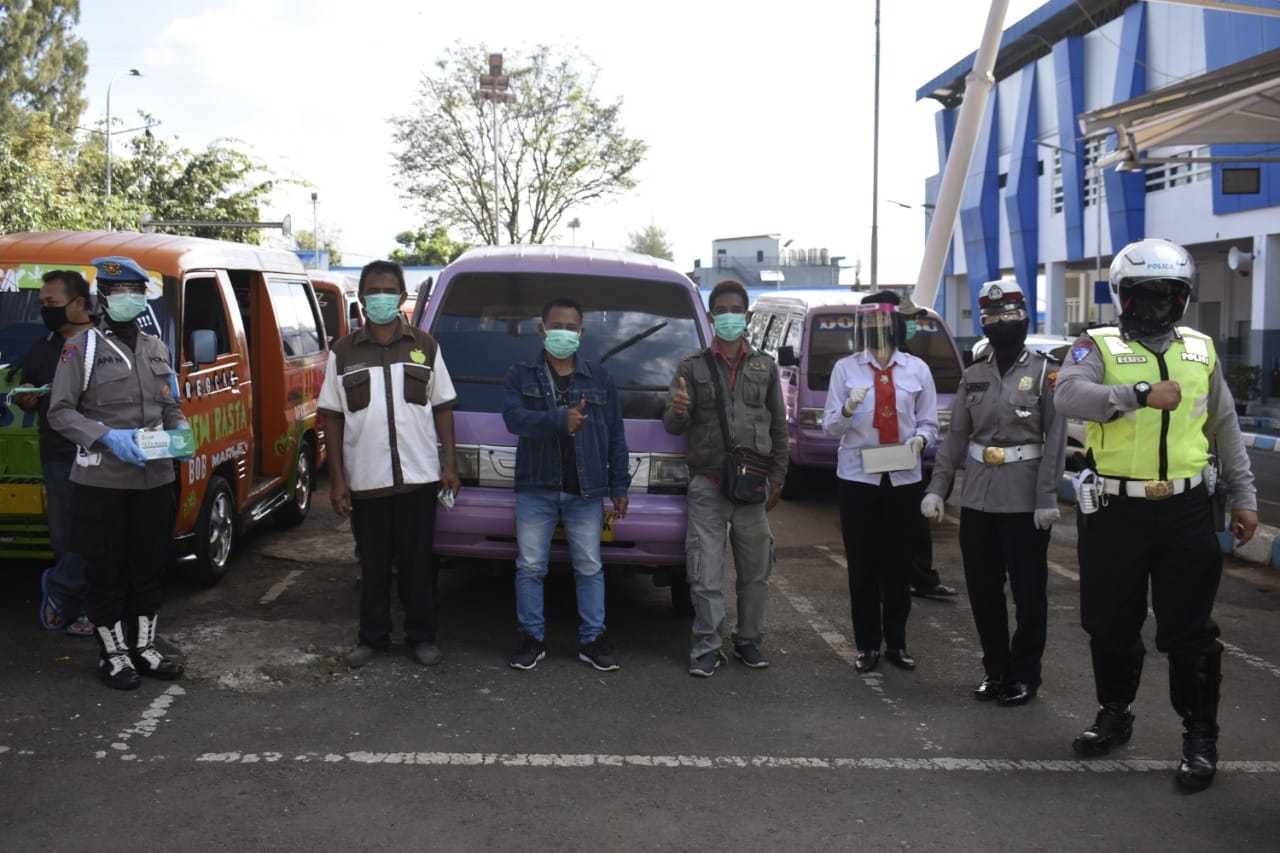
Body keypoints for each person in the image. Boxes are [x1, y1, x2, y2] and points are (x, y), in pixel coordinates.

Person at [1055, 238, 1258, 792]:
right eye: (1143, 293)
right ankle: (1114, 713)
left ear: (1183, 298)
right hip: (1115, 511)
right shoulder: (1095, 345)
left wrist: (1244, 497)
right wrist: (1139, 394)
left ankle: (1200, 737)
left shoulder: (1201, 350)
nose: (1156, 303)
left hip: (1187, 511)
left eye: (1168, 293)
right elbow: (1068, 398)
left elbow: (1225, 427)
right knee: (1110, 623)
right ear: (1121, 296)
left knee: (1191, 631)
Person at [46, 257, 191, 690]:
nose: (129, 298)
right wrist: (106, 436)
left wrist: (180, 430)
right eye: (119, 291)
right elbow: (60, 412)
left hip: (155, 480)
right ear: (104, 297)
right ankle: (113, 655)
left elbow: (170, 405)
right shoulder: (82, 348)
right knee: (105, 572)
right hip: (103, 483)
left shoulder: (156, 346)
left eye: (136, 291)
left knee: (148, 568)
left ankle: (144, 648)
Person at [923, 279, 1067, 705]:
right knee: (984, 591)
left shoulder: (1045, 372)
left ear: (1023, 319)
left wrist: (1047, 499)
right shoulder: (974, 374)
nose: (1001, 323)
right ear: (983, 323)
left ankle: (1025, 674)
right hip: (978, 499)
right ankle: (996, 669)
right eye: (993, 316)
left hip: (1024, 501)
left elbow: (1056, 441)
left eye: (1009, 315)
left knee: (1028, 593)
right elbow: (956, 438)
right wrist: (938, 488)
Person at [318, 260, 460, 670]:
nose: (381, 297)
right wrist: (337, 481)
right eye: (373, 291)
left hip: (419, 477)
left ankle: (422, 637)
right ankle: (373, 639)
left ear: (401, 297)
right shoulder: (343, 352)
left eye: (388, 290)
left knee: (419, 567)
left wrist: (450, 465)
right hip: (367, 480)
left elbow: (443, 407)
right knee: (374, 566)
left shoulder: (425, 346)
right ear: (362, 298)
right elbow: (333, 417)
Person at [664, 280, 788, 678]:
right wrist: (678, 409)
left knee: (755, 572)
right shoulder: (691, 366)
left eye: (736, 310)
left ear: (747, 316)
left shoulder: (765, 366)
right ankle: (707, 646)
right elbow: (673, 425)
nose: (729, 317)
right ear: (710, 316)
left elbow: (779, 426)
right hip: (708, 483)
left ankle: (748, 640)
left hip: (752, 486)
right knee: (705, 573)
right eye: (722, 311)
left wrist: (778, 477)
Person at [501, 297, 630, 672]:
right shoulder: (520, 374)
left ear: (581, 332)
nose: (563, 334)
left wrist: (619, 485)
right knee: (530, 567)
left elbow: (616, 436)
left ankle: (592, 641)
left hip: (586, 491)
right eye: (556, 327)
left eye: (571, 328)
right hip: (536, 487)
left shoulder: (599, 377)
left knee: (589, 567)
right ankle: (531, 639)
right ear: (541, 330)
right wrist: (559, 420)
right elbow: (513, 419)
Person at [822, 290, 938, 674]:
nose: (877, 327)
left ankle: (897, 642)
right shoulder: (846, 369)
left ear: (894, 323)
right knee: (863, 563)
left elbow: (929, 421)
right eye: (869, 320)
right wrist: (847, 408)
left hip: (903, 476)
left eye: (883, 319)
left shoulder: (916, 369)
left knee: (899, 562)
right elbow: (830, 427)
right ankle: (868, 644)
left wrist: (921, 439)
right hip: (858, 477)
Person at [11, 270, 97, 638]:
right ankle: (72, 602)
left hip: (105, 454)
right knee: (65, 536)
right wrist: (28, 398)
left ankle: (66, 592)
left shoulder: (106, 344)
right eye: (42, 303)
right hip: (59, 454)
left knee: (97, 532)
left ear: (78, 304)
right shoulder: (40, 349)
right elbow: (27, 397)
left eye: (52, 303)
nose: (45, 310)